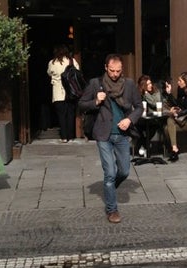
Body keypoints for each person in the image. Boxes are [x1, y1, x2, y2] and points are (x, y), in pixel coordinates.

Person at [78, 54, 143, 223]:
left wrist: (129, 120)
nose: (115, 74)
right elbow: (81, 104)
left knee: (124, 171)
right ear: (106, 68)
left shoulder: (128, 84)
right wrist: (95, 101)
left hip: (122, 134)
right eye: (112, 71)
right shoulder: (95, 84)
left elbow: (139, 106)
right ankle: (112, 210)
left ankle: (109, 189)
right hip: (103, 134)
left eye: (118, 71)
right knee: (110, 173)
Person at [163, 72, 187, 162]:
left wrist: (178, 114)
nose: (178, 82)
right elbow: (177, 104)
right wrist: (169, 94)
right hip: (179, 119)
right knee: (166, 126)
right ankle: (174, 149)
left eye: (180, 80)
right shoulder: (180, 90)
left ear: (186, 81)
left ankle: (173, 150)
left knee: (167, 128)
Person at [47, 44, 80, 143]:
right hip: (71, 91)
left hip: (58, 92)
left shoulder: (52, 62)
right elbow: (78, 72)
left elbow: (49, 73)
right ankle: (70, 135)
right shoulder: (72, 61)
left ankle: (64, 136)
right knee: (70, 114)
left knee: (61, 115)